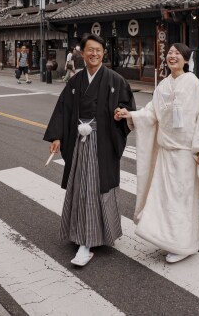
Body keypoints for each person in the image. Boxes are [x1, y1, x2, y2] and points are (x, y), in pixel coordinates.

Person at [115, 43, 199, 264]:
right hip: (165, 152)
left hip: (184, 153)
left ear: (186, 59)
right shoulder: (162, 85)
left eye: (177, 54)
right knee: (163, 199)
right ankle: (166, 238)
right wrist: (129, 114)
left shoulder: (193, 83)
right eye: (170, 53)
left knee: (181, 199)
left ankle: (184, 244)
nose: (172, 56)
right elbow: (151, 113)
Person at [44, 33, 136, 267]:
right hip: (79, 141)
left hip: (102, 141)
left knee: (98, 187)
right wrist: (56, 136)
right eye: (90, 50)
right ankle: (85, 238)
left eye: (98, 50)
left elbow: (126, 108)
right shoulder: (75, 82)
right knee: (82, 188)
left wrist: (121, 113)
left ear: (104, 53)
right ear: (82, 53)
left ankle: (97, 237)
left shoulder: (116, 80)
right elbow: (63, 109)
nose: (94, 54)